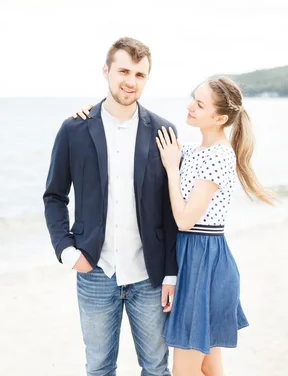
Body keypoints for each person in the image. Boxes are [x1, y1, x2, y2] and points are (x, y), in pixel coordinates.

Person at [73, 76, 276, 375]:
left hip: (203, 261)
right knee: (208, 364)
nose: (190, 106)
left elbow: (184, 219)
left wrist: (171, 167)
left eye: (200, 104)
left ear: (220, 118)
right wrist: (93, 115)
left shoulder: (218, 157)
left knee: (185, 370)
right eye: (194, 98)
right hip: (194, 257)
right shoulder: (194, 151)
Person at [43, 36, 178, 376]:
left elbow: (171, 208)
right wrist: (66, 251)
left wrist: (172, 273)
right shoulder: (74, 128)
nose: (130, 81)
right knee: (99, 368)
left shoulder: (164, 131)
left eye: (140, 75)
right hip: (95, 272)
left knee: (157, 368)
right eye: (123, 71)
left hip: (149, 276)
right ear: (106, 71)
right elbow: (55, 196)